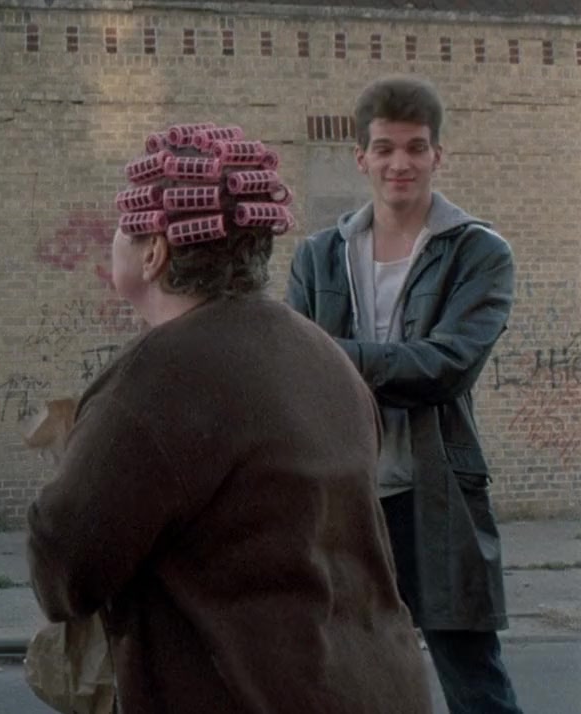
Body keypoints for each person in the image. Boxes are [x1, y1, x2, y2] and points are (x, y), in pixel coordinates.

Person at [26, 123, 431, 713]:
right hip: (377, 687)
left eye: (121, 227)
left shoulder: (158, 377)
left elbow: (65, 566)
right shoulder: (324, 356)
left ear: (154, 252)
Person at [286, 75, 520, 714]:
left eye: (416, 148)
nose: (401, 164)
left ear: (438, 154)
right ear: (360, 156)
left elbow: (448, 366)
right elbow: (294, 378)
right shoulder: (319, 256)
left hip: (435, 494)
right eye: (385, 148)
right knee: (340, 678)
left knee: (474, 682)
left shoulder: (479, 252)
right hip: (342, 496)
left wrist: (328, 355)